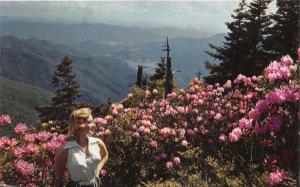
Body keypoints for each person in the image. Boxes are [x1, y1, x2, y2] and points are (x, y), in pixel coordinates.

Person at [54, 108, 108, 187]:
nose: (93, 125)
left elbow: (105, 155)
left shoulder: (98, 143)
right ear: (80, 125)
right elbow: (59, 179)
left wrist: (98, 169)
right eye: (90, 122)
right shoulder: (65, 150)